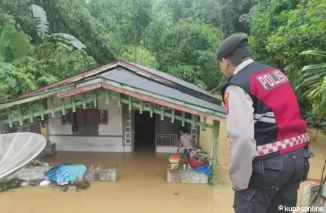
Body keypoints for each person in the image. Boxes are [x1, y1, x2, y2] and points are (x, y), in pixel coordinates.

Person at [217, 32, 314, 213]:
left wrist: (239, 181)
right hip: (298, 162)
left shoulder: (238, 85)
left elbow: (242, 138)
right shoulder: (275, 74)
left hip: (269, 169)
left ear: (225, 62)